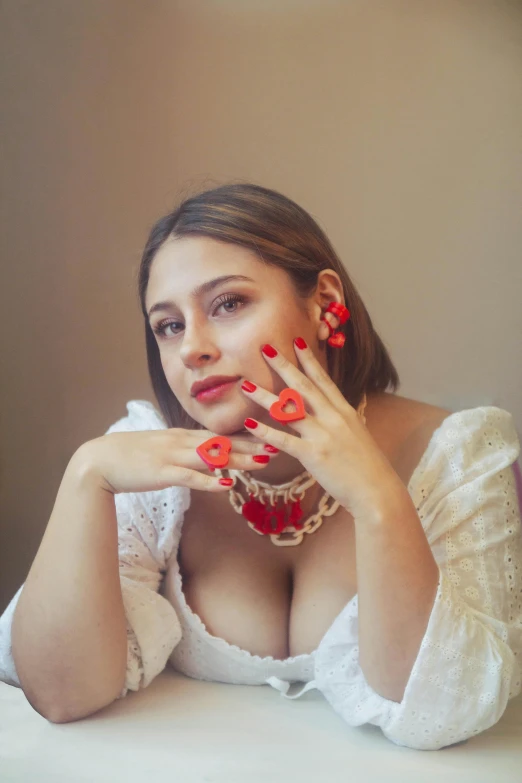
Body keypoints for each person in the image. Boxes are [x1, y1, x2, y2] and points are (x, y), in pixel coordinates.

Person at [1, 183, 521, 751]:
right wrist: (85, 475)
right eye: (168, 325)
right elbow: (60, 693)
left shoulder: (459, 452)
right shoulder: (146, 462)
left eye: (228, 304)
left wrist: (376, 497)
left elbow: (441, 715)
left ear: (324, 302)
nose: (191, 349)